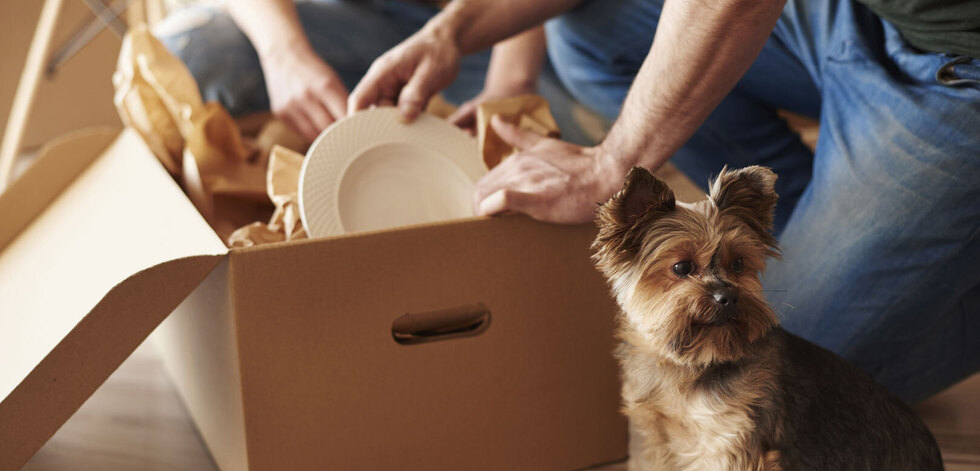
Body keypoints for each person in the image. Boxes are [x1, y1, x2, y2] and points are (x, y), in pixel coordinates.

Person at [349, 0, 980, 403]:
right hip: (865, 15)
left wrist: (607, 166)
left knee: (773, 373)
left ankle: (927, 248)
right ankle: (830, 235)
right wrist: (450, 32)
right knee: (590, 29)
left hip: (963, 66)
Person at [153, 0, 594, 143]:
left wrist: (509, 84)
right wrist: (284, 54)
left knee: (546, 141)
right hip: (338, 16)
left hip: (487, 23)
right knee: (185, 56)